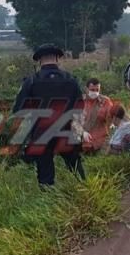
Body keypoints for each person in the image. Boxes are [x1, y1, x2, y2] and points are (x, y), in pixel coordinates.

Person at [12, 44, 85, 186]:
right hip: (66, 130)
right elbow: (80, 106)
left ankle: (49, 202)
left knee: (45, 176)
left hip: (41, 133)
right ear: (57, 58)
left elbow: (18, 110)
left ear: (39, 60)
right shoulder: (71, 79)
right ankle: (88, 194)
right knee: (76, 168)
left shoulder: (31, 81)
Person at [81, 78, 114, 153]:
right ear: (86, 89)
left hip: (101, 141)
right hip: (83, 142)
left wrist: (112, 123)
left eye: (97, 90)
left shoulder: (105, 101)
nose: (95, 92)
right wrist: (82, 132)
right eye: (92, 90)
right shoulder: (80, 101)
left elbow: (111, 115)